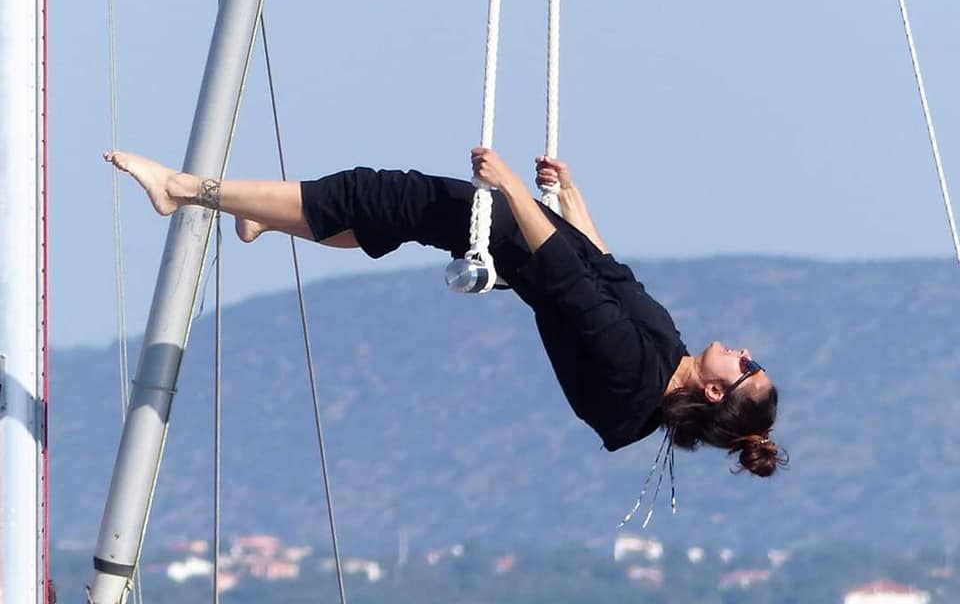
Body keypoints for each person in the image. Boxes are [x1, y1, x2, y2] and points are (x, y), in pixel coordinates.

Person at [104, 147, 785, 480]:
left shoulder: (635, 374)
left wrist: (512, 187)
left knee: (378, 195)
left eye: (747, 367)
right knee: (390, 212)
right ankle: (263, 217)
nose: (745, 348)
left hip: (519, 246)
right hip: (531, 241)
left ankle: (185, 189)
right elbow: (607, 270)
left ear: (718, 389)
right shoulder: (668, 358)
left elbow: (567, 279)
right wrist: (571, 195)